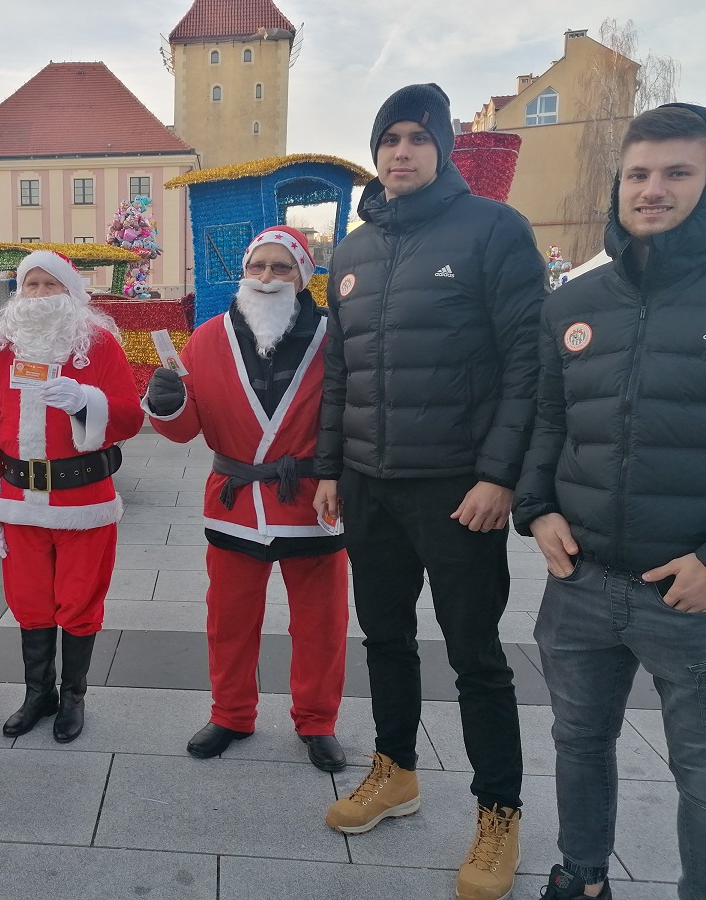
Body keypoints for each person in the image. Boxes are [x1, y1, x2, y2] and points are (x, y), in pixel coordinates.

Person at [313, 83, 547, 900]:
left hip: (457, 490)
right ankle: (396, 770)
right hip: (370, 488)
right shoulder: (350, 252)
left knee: (477, 658)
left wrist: (499, 476)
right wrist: (330, 470)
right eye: (388, 140)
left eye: (417, 137)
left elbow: (528, 362)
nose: (401, 152)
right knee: (383, 641)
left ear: (442, 146)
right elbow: (339, 373)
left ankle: (498, 812)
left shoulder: (494, 231)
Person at [513, 103, 706, 900]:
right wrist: (537, 508)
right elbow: (547, 420)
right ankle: (582, 876)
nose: (652, 190)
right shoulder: (573, 304)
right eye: (638, 174)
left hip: (687, 593)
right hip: (583, 581)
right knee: (579, 740)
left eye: (677, 173)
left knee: (698, 772)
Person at [143, 226, 349, 768]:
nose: (266, 279)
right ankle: (231, 713)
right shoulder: (208, 338)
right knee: (229, 618)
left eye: (282, 268)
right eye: (257, 267)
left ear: (304, 277)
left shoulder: (336, 337)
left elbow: (356, 415)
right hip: (234, 500)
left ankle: (317, 720)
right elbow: (184, 429)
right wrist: (166, 404)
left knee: (321, 622)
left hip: (313, 500)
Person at [0, 250, 143, 743]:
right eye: (31, 285)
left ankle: (74, 697)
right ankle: (37, 693)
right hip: (19, 499)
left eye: (50, 285)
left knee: (80, 600)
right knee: (29, 601)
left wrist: (85, 402)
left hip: (83, 497)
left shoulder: (99, 346)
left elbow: (129, 416)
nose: (39, 295)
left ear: (72, 293)